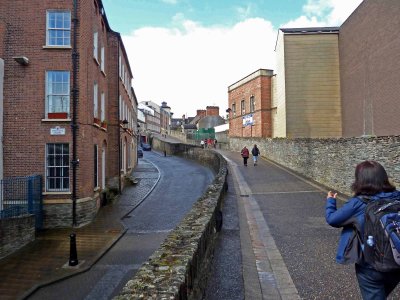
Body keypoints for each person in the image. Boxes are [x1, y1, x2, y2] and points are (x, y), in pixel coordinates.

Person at [326, 160, 400, 300]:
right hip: (396, 261)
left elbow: (333, 219)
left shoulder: (359, 203)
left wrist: (330, 202)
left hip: (370, 265)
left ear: (359, 180)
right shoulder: (397, 197)